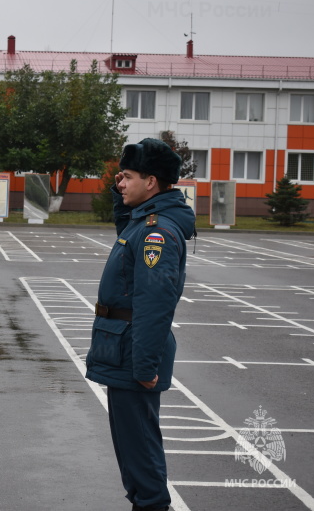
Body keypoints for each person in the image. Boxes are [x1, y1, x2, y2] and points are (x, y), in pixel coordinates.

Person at [85, 138, 196, 511]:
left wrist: (145, 364)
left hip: (134, 351)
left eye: (127, 177)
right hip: (124, 348)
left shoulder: (155, 233)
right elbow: (124, 228)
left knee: (141, 451)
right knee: (132, 451)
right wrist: (121, 193)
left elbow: (154, 302)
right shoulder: (142, 222)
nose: (120, 183)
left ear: (151, 182)